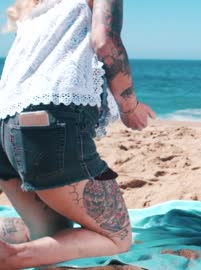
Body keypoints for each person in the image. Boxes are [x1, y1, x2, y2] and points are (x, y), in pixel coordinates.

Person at [0, 0, 155, 268]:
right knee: (117, 236)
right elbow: (105, 42)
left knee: (53, 235)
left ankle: (18, 251)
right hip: (48, 128)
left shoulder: (33, 8)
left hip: (4, 128)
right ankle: (11, 258)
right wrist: (129, 108)